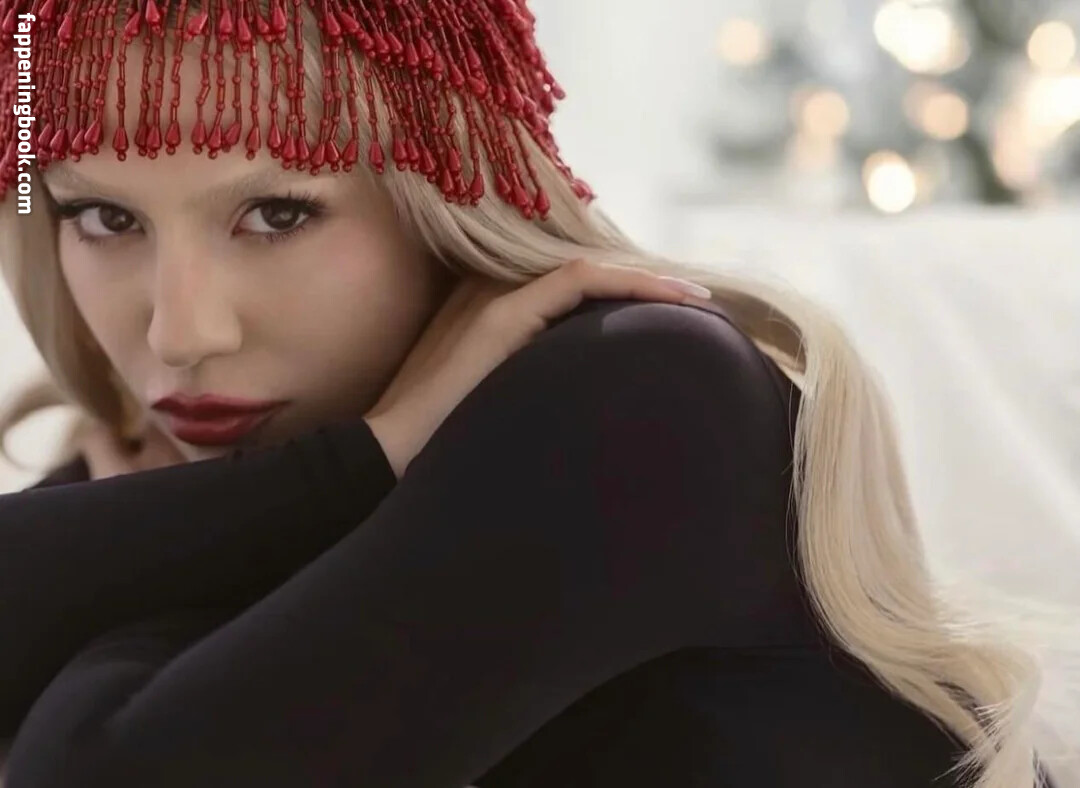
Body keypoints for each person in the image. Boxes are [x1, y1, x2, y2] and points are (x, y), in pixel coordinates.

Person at [0, 1, 1065, 786]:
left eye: (279, 214)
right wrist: (331, 473)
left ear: (446, 189)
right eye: (104, 218)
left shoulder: (639, 386)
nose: (181, 333)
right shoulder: (205, 463)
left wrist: (321, 481)